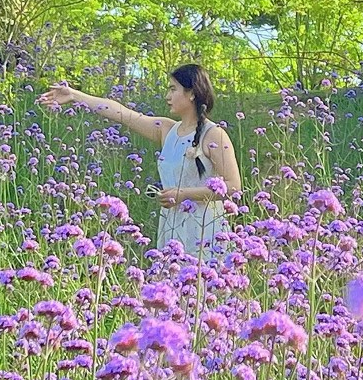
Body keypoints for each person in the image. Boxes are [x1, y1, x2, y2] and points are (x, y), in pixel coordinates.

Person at [39, 63, 241, 254]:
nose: (167, 96)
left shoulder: (214, 134)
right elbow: (121, 113)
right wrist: (74, 95)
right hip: (172, 225)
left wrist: (183, 194)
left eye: (173, 89)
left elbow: (233, 187)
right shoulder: (166, 130)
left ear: (191, 94)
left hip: (205, 229)